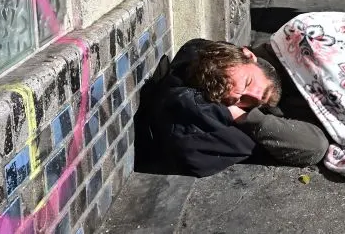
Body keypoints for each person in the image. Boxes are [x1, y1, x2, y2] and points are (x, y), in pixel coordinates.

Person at [134, 39, 329, 177]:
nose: (255, 97)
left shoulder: (284, 52)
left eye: (248, 82)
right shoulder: (248, 110)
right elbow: (315, 146)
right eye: (240, 99)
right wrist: (243, 116)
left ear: (248, 54)